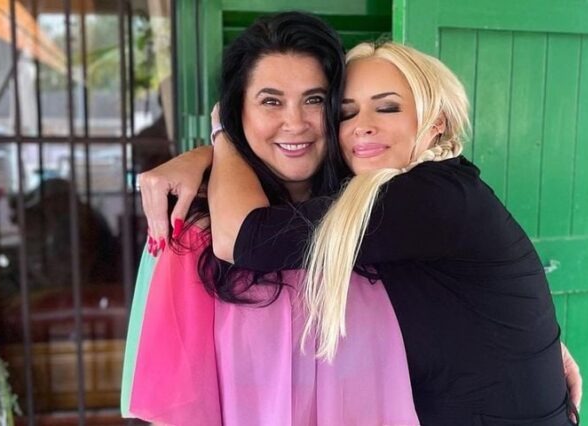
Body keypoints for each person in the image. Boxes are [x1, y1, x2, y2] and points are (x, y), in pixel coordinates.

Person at [204, 41, 577, 425]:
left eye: (387, 107)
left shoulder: (429, 197)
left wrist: (224, 135)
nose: (362, 125)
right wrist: (196, 162)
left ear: (436, 122)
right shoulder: (432, 186)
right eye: (346, 113)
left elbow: (240, 238)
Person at [124, 12, 418, 425]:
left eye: (315, 100)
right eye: (270, 101)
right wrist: (218, 143)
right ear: (237, 113)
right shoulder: (195, 239)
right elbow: (177, 411)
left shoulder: (381, 218)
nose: (295, 123)